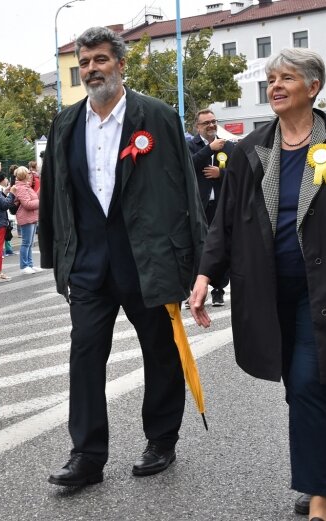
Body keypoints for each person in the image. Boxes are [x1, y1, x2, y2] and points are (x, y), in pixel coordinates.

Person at [189, 48, 326, 521]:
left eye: (286, 77)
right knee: (299, 385)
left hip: (325, 288)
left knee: (307, 381)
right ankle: (321, 468)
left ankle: (317, 496)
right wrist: (205, 275)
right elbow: (225, 221)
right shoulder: (250, 150)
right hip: (264, 289)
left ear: (313, 86)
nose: (276, 86)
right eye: (270, 79)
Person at [39, 26, 205, 487]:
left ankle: (161, 439)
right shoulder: (66, 122)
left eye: (100, 60)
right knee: (85, 354)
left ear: (120, 64)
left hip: (146, 259)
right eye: (85, 62)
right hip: (90, 264)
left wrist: (199, 265)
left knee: (160, 351)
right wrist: (58, 257)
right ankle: (87, 456)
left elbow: (184, 192)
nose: (92, 69)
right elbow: (56, 192)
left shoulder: (157, 116)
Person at [188, 109, 234, 306]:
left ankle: (218, 289)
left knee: (221, 245)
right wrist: (209, 149)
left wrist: (221, 173)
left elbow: (238, 172)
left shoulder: (229, 146)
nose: (211, 125)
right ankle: (194, 290)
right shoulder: (190, 145)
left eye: (213, 121)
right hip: (198, 206)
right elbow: (187, 165)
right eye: (206, 122)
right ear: (197, 126)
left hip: (222, 205)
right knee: (197, 246)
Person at [11, 166, 41, 274]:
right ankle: (24, 266)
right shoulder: (22, 188)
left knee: (29, 243)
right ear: (25, 175)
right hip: (26, 216)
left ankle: (30, 264)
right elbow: (27, 204)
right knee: (26, 243)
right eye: (28, 173)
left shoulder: (25, 187)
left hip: (31, 216)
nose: (30, 175)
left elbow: (33, 199)